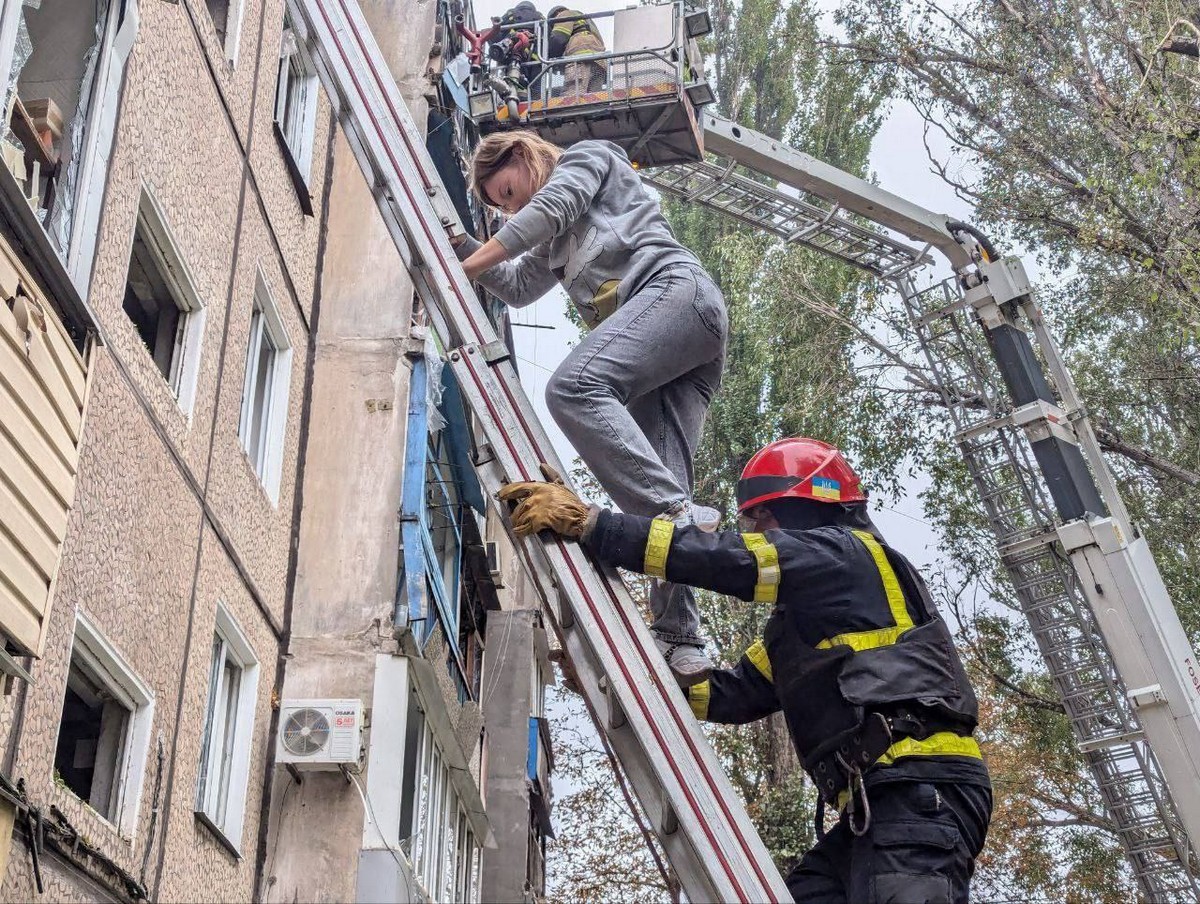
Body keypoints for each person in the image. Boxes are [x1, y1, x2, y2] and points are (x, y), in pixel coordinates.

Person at [498, 437, 992, 903]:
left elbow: (732, 560)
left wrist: (595, 525)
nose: (756, 533)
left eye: (764, 519)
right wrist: (611, 677)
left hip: (924, 791)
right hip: (884, 801)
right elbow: (731, 695)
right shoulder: (801, 627)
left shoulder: (848, 557)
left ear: (806, 509)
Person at [455, 129, 728, 686]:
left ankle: (677, 520)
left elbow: (550, 208)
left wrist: (469, 265)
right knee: (662, 479)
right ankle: (683, 641)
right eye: (502, 206)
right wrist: (458, 246)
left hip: (677, 297)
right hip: (669, 351)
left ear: (526, 157)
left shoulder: (588, 159)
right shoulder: (553, 247)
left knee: (573, 388)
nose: (513, 209)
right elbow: (513, 285)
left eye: (509, 191)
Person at [546, 6, 607, 97]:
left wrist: (550, 59)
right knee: (594, 97)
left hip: (579, 60)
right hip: (599, 62)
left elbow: (558, 38)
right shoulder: (586, 20)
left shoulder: (564, 14)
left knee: (572, 95)